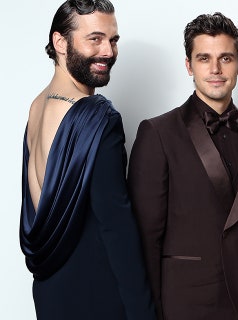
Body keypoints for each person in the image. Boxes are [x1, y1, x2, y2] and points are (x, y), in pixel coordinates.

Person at [127, 12, 238, 320]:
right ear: (189, 65)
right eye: (204, 58)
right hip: (185, 306)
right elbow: (144, 238)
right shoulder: (157, 133)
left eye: (226, 58)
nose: (215, 69)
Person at [19, 1, 156, 319]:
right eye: (95, 39)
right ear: (60, 43)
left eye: (113, 40)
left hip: (50, 293)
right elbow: (115, 228)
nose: (108, 51)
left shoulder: (37, 106)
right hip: (96, 297)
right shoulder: (97, 117)